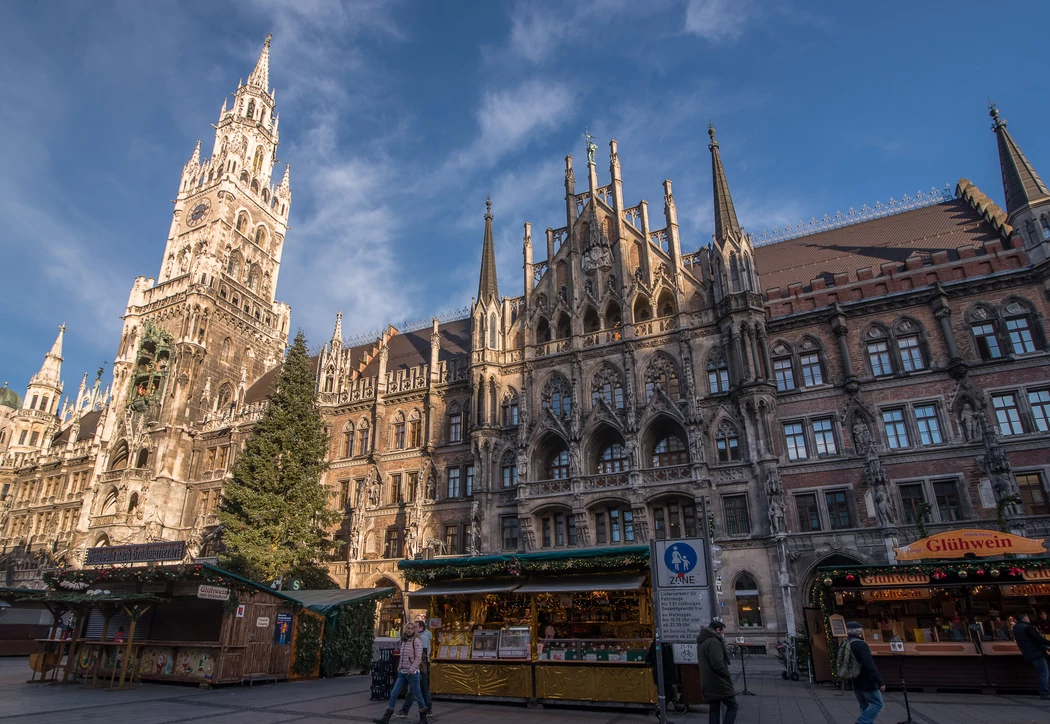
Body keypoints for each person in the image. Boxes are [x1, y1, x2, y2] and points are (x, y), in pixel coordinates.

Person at [375, 622, 426, 724]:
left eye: (412, 628)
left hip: (413, 673)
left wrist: (412, 669)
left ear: (414, 630)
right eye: (408, 628)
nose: (409, 630)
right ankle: (386, 718)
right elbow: (402, 656)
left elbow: (418, 658)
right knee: (393, 693)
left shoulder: (416, 641)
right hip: (403, 672)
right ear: (405, 629)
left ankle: (423, 718)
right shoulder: (403, 640)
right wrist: (399, 667)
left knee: (418, 695)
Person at [697, 620, 738, 724]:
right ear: (718, 630)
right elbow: (718, 663)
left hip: (708, 681)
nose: (722, 634)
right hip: (718, 681)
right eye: (722, 632)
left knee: (714, 709)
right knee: (733, 706)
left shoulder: (703, 641)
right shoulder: (713, 641)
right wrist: (727, 674)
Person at [845, 621, 884, 724]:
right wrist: (880, 681)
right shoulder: (861, 645)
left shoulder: (845, 643)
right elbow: (869, 665)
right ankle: (862, 722)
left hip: (854, 679)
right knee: (878, 704)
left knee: (864, 706)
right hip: (867, 680)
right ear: (859, 632)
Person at [399, 615, 433, 717]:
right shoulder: (418, 638)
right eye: (410, 628)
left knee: (415, 690)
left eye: (415, 627)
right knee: (419, 689)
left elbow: (423, 653)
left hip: (420, 667)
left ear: (421, 628)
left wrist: (414, 666)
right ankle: (425, 709)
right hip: (419, 667)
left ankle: (422, 710)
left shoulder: (422, 638)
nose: (413, 629)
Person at [1012, 613, 1050, 699]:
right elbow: (1038, 639)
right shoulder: (1027, 627)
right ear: (1024, 618)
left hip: (1028, 652)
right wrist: (1048, 643)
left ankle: (1044, 692)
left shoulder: (1016, 628)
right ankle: (1044, 693)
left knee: (1042, 672)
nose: (1029, 619)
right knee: (1044, 673)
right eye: (1027, 617)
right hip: (1036, 652)